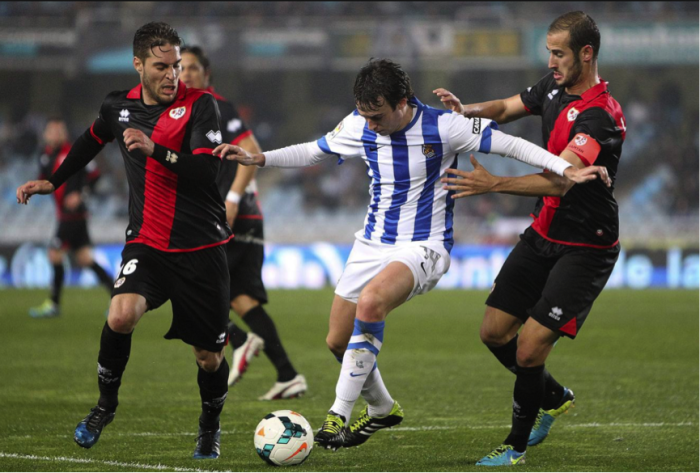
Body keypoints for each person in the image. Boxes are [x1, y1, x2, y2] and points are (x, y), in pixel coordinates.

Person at [213, 58, 608, 451]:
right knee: (337, 340)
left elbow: (513, 145)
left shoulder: (445, 125)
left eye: (378, 115)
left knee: (370, 304)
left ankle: (337, 414)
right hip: (371, 244)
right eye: (365, 115)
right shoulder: (359, 125)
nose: (370, 124)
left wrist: (564, 169)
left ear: (403, 102)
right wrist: (260, 158)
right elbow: (315, 150)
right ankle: (383, 408)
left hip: (425, 245)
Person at [16, 22, 232, 460]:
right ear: (138, 65)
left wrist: (156, 150)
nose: (173, 75)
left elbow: (206, 171)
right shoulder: (118, 108)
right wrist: (54, 181)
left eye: (176, 66)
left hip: (201, 248)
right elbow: (90, 141)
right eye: (161, 67)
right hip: (147, 243)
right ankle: (104, 407)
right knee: (120, 315)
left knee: (208, 358)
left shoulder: (201, 106)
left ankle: (209, 426)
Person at [435, 11, 625, 466]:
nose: (551, 62)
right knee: (494, 332)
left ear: (586, 54)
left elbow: (563, 180)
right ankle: (554, 396)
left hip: (586, 246)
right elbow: (503, 109)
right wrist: (466, 112)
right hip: (544, 231)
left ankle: (515, 446)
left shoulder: (601, 117)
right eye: (549, 53)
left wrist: (495, 183)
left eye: (559, 54)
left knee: (530, 344)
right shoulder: (554, 87)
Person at [180, 45, 307, 400]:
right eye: (181, 68)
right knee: (240, 298)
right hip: (239, 215)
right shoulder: (188, 111)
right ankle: (287, 374)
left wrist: (232, 199)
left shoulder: (215, 106)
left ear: (207, 75)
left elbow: (249, 148)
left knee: (186, 280)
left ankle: (238, 340)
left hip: (233, 214)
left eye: (192, 68)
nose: (185, 74)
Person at [29, 117, 114, 318]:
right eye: (52, 130)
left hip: (74, 214)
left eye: (60, 130)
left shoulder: (76, 151)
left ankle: (54, 304)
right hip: (63, 214)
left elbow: (95, 176)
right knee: (85, 259)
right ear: (45, 134)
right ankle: (117, 296)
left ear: (65, 133)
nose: (56, 134)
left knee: (54, 253)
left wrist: (81, 194)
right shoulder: (44, 155)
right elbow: (44, 181)